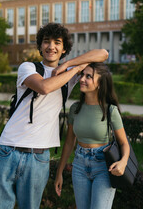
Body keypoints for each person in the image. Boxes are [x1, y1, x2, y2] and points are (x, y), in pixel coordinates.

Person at [0, 23, 108, 209]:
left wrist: (68, 65)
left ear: (64, 48)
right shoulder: (28, 67)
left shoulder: (68, 73)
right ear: (40, 46)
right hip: (9, 150)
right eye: (46, 42)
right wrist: (75, 70)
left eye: (57, 42)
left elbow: (103, 53)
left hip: (39, 156)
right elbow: (44, 87)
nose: (51, 46)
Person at [55, 62, 130, 209]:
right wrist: (59, 172)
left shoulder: (110, 110)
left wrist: (123, 162)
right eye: (82, 75)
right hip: (79, 165)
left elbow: (124, 143)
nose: (82, 79)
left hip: (103, 166)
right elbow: (69, 142)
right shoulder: (75, 108)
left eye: (88, 76)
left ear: (100, 84)